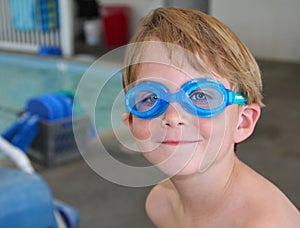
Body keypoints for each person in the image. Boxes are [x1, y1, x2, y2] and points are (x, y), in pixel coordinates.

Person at [121, 7, 300, 227]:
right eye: (150, 98)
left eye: (200, 96)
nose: (172, 117)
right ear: (130, 121)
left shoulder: (264, 223)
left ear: (242, 122)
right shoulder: (160, 203)